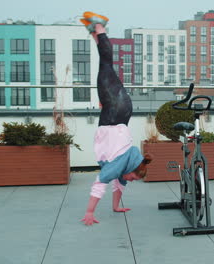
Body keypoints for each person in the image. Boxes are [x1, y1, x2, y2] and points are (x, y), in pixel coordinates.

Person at [80, 12, 153, 226]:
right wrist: (90, 212)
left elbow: (118, 186)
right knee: (106, 65)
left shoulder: (127, 165)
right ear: (132, 169)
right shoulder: (120, 164)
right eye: (133, 178)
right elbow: (100, 183)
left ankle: (95, 35)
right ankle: (100, 27)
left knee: (105, 66)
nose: (130, 180)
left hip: (118, 111)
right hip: (114, 110)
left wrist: (115, 206)